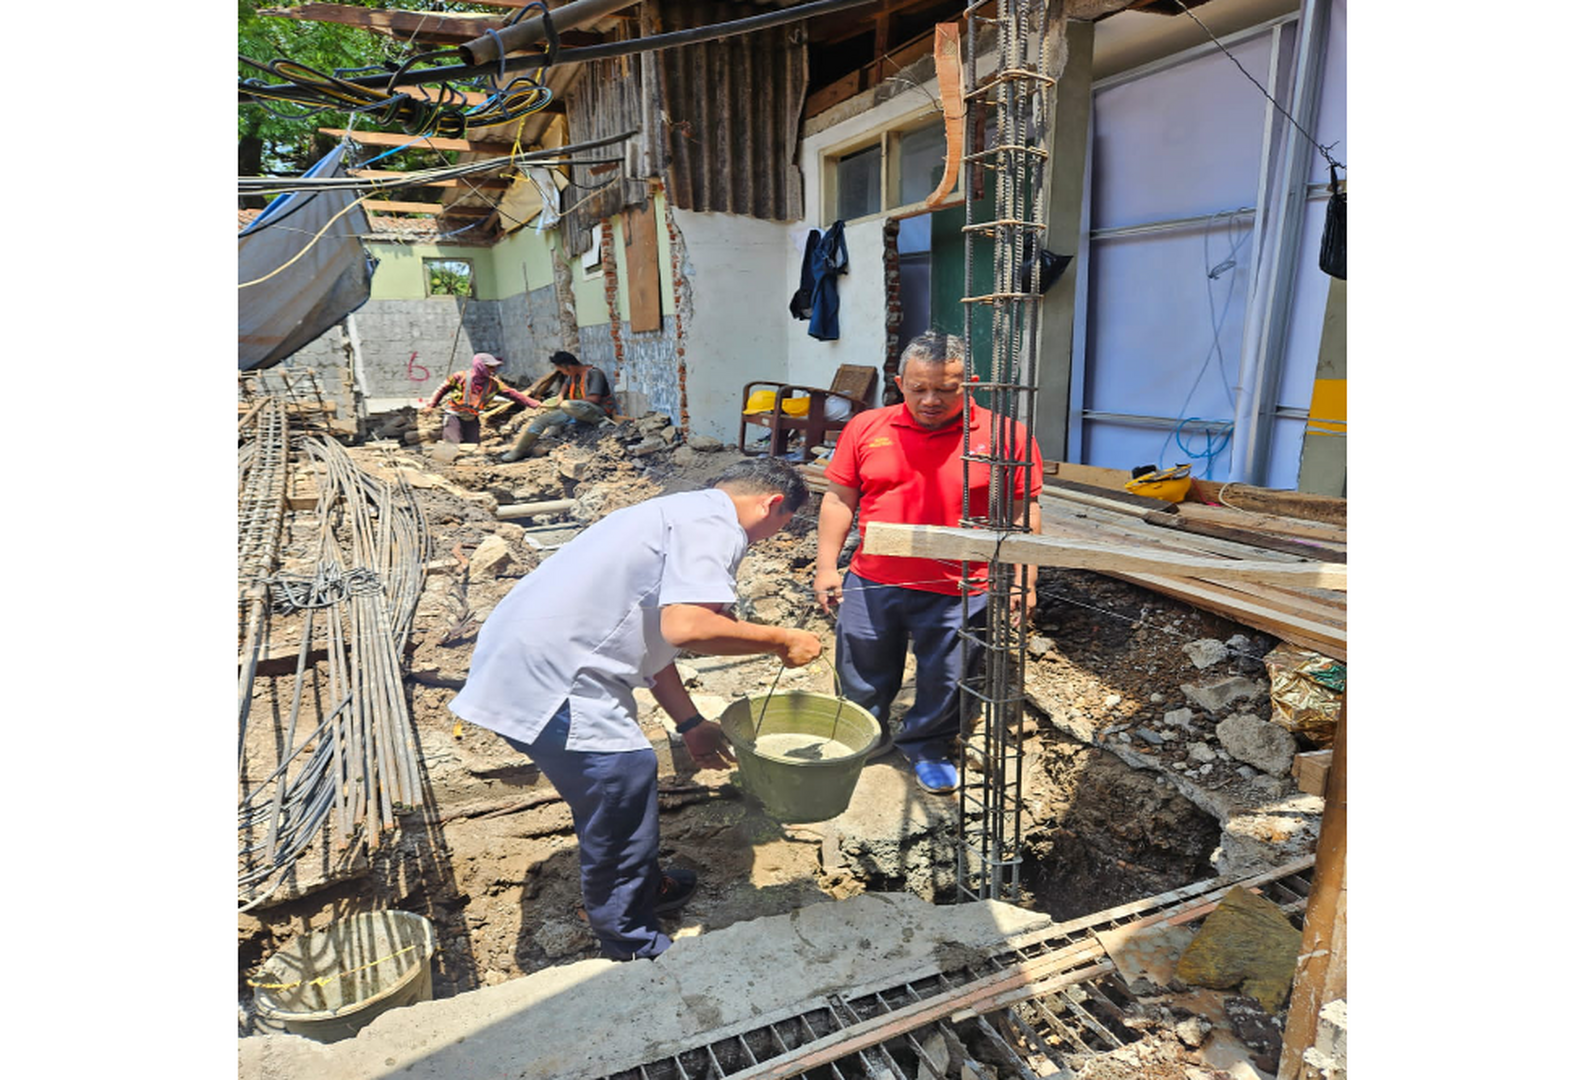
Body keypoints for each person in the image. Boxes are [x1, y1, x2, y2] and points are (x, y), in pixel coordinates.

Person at [448, 457, 822, 961]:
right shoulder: (719, 526)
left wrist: (690, 724)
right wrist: (781, 639)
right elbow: (687, 629)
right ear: (773, 504)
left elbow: (656, 645)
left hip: (521, 662)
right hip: (555, 680)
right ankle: (631, 942)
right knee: (622, 779)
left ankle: (641, 887)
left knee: (613, 793)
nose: (768, 541)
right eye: (778, 529)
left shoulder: (674, 514)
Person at [812, 330, 1043, 795]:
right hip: (875, 579)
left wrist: (1025, 579)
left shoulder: (1005, 437)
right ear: (899, 383)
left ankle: (927, 745)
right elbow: (840, 498)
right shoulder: (867, 428)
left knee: (948, 676)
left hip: (963, 585)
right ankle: (866, 741)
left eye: (946, 388)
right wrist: (825, 566)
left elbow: (1023, 511)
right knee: (861, 670)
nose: (931, 399)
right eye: (918, 389)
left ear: (970, 383)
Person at [501, 350, 616, 462]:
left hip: (598, 410)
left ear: (568, 367)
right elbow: (566, 385)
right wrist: (560, 396)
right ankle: (518, 451)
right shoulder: (573, 374)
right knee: (542, 420)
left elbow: (594, 399)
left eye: (562, 370)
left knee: (567, 405)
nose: (563, 374)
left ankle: (600, 422)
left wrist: (567, 403)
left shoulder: (594, 374)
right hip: (577, 409)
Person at [424, 352, 541, 444]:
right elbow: (441, 390)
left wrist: (535, 404)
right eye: (489, 367)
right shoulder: (460, 376)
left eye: (494, 367)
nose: (493, 370)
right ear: (479, 366)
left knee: (472, 444)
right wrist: (431, 406)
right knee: (451, 443)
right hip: (453, 414)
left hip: (472, 416)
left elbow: (513, 394)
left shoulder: (493, 384)